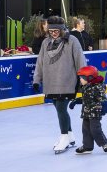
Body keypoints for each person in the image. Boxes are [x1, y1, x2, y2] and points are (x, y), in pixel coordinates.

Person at [32, 15, 86, 153]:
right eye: (51, 31)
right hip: (50, 82)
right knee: (58, 108)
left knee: (61, 109)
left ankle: (64, 137)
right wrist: (36, 80)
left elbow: (80, 59)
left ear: (62, 30)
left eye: (56, 31)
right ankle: (70, 136)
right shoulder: (46, 43)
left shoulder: (71, 41)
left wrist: (84, 77)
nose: (54, 33)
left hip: (66, 81)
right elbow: (40, 62)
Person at [70, 65, 107, 154]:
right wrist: (75, 101)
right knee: (86, 130)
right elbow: (86, 99)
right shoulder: (86, 87)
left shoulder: (97, 87)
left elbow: (103, 99)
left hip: (95, 113)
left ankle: (104, 143)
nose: (80, 80)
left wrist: (104, 107)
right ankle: (87, 146)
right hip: (86, 112)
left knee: (95, 129)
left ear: (89, 78)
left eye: (82, 78)